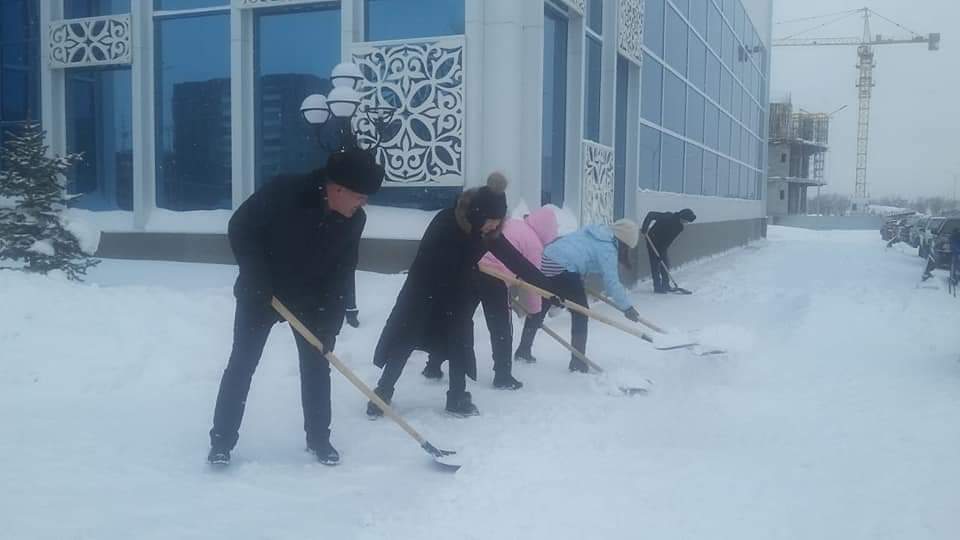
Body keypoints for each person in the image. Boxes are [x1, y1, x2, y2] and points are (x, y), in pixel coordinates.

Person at [207, 148, 384, 467]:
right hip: (262, 293)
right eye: (360, 195)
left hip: (311, 300)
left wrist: (332, 320)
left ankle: (319, 438)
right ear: (338, 188)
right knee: (243, 363)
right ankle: (221, 441)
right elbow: (241, 228)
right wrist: (256, 276)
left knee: (317, 365)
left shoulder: (354, 220)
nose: (363, 203)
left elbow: (344, 269)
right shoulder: (284, 191)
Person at [367, 173, 561, 417]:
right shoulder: (445, 222)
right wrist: (463, 265)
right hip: (423, 293)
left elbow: (516, 260)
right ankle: (382, 393)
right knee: (406, 339)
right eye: (490, 220)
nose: (493, 226)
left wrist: (548, 290)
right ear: (477, 213)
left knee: (459, 342)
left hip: (456, 293)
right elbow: (429, 261)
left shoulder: (486, 234)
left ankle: (457, 398)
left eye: (498, 221)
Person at [421, 206, 559, 390]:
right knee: (501, 326)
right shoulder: (534, 244)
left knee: (457, 320)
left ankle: (433, 365)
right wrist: (535, 311)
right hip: (495, 279)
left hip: (472, 268)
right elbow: (532, 281)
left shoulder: (514, 223)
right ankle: (503, 375)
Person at [514, 220, 643, 371]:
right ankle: (578, 362)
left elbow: (581, 254)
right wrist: (627, 307)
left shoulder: (596, 232)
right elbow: (612, 282)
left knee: (541, 307)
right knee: (581, 312)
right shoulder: (608, 248)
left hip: (546, 260)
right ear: (623, 241)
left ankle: (523, 350)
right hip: (563, 268)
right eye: (627, 247)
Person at [640, 208, 697, 293]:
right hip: (652, 239)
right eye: (686, 221)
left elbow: (669, 240)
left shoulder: (680, 227)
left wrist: (661, 251)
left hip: (663, 244)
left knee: (664, 263)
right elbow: (651, 214)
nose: (686, 223)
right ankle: (657, 287)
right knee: (655, 264)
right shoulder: (667, 216)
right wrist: (645, 228)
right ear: (682, 217)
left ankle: (666, 285)